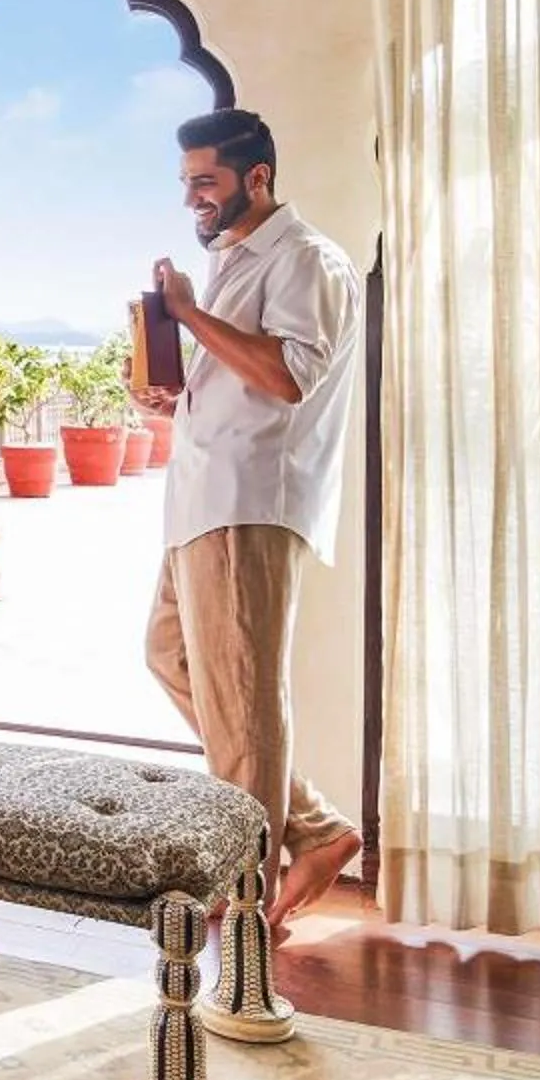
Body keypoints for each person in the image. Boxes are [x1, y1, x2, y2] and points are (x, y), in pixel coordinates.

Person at [136, 108, 364, 942]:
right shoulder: (239, 261)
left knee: (244, 697)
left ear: (257, 177)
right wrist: (175, 396)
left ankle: (244, 897)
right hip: (202, 504)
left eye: (206, 181)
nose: (192, 197)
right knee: (172, 658)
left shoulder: (305, 258)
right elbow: (242, 383)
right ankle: (314, 827)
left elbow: (290, 376)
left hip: (249, 505)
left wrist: (190, 315)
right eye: (186, 182)